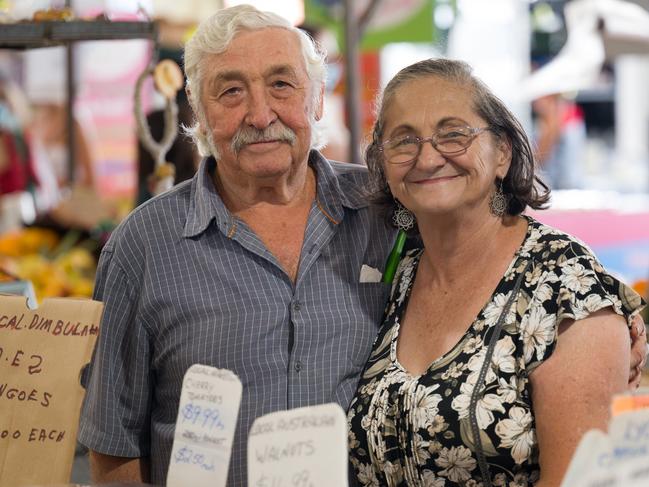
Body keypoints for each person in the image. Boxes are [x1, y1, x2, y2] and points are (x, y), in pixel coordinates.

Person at [78, 6, 647, 487]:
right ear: (198, 113)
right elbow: (113, 446)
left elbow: (541, 279)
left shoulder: (382, 213)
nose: (260, 113)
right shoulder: (144, 247)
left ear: (318, 100)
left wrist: (616, 321)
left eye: (282, 84)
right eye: (229, 92)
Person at [347, 58, 646, 486]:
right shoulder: (396, 275)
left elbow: (579, 481)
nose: (427, 157)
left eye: (454, 134)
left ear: (502, 152)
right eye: (403, 140)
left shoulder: (565, 281)